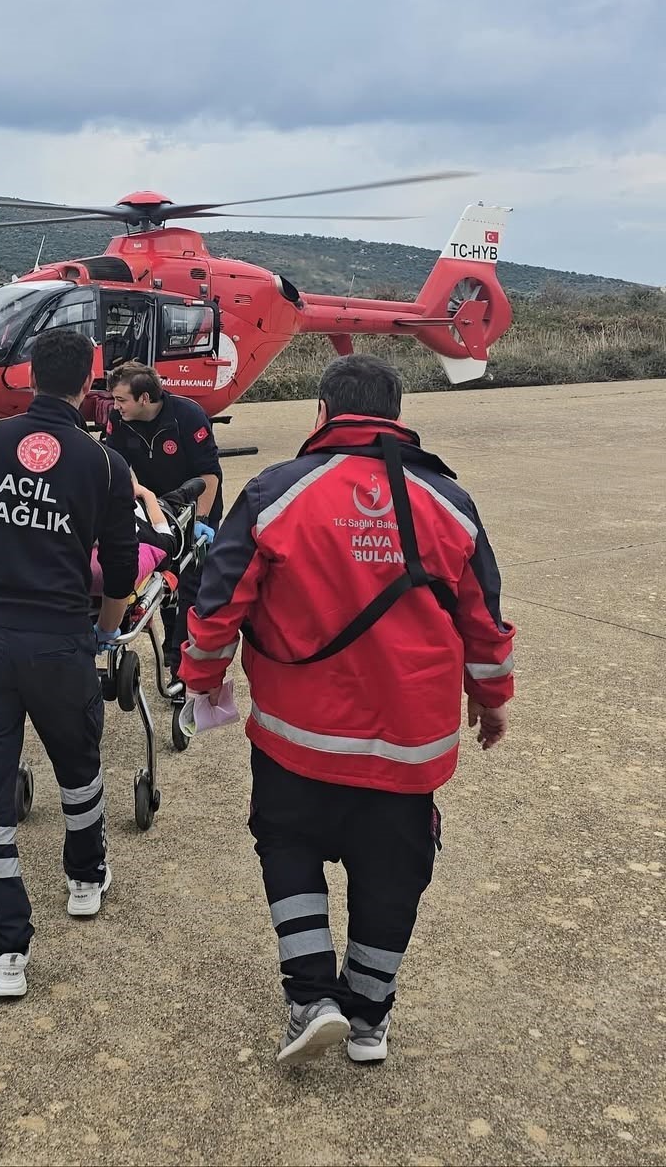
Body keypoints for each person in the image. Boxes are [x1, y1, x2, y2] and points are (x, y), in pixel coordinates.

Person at [179, 354, 515, 1066]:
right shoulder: (450, 500)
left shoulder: (277, 492)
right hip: (408, 744)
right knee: (394, 871)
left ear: (323, 414)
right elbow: (484, 618)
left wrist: (202, 677)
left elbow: (219, 601)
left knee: (289, 847)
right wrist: (491, 700)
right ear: (396, 415)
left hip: (296, 739)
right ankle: (367, 1019)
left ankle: (310, 998)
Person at [0, 328, 137, 1000]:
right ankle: (85, 880)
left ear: (26, 376)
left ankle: (7, 951)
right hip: (58, 639)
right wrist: (104, 637)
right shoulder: (107, 465)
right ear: (89, 385)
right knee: (79, 768)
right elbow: (117, 572)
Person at [102, 361, 221, 692]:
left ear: (143, 398)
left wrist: (199, 523)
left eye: (121, 400)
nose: (115, 406)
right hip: (153, 510)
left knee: (192, 590)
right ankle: (173, 657)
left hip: (194, 508)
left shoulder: (188, 417)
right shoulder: (118, 420)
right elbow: (116, 465)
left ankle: (184, 668)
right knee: (164, 588)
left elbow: (208, 475)